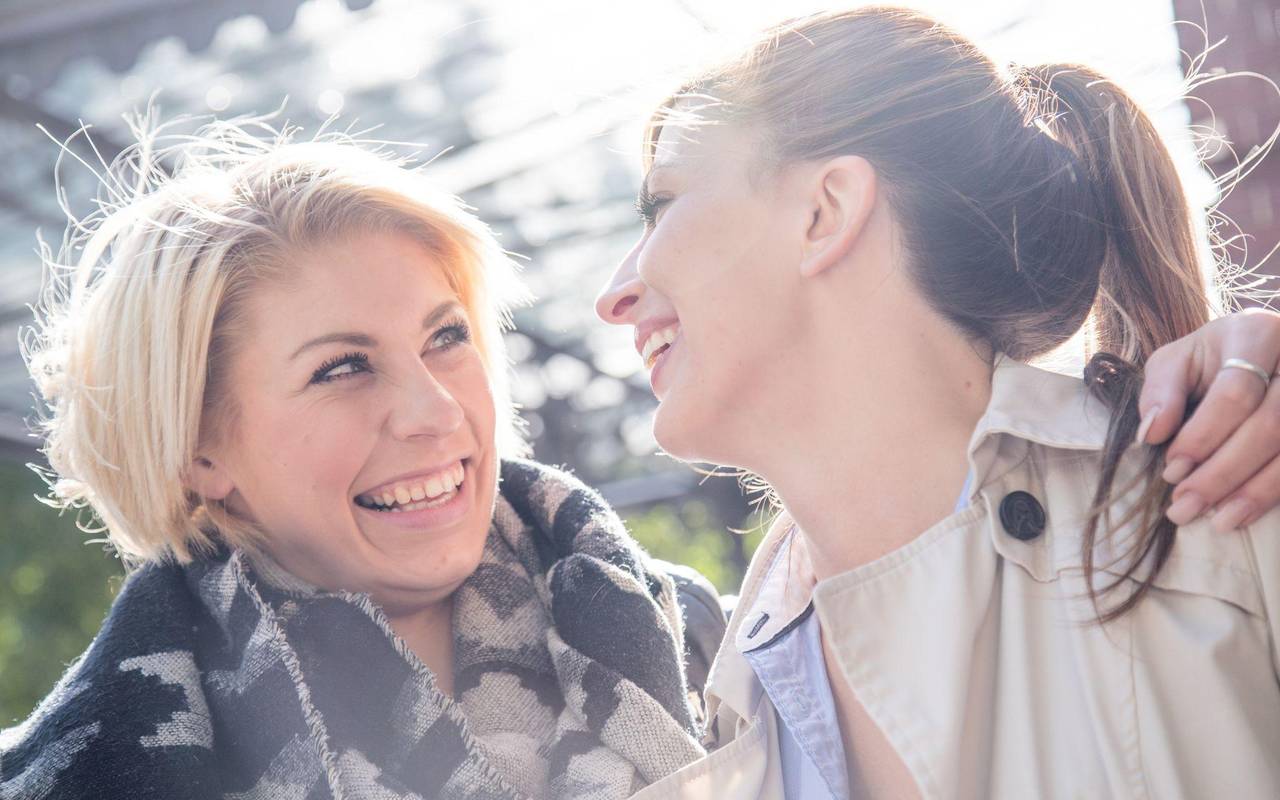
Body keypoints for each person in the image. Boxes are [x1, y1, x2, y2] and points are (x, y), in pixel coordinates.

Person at [595, 7, 1280, 798]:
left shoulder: (1224, 506)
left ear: (824, 212)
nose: (614, 295)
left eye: (659, 207)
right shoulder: (722, 717)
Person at [0, 126, 725, 799]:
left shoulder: (691, 637)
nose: (437, 411)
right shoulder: (74, 773)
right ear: (197, 451)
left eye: (446, 335)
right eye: (343, 367)